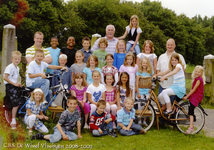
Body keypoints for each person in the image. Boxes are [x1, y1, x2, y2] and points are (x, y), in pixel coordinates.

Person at [157, 38, 186, 104]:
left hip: (173, 85)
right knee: (161, 103)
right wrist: (158, 76)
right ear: (166, 45)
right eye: (168, 45)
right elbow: (158, 70)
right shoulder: (161, 57)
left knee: (173, 105)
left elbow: (183, 70)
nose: (169, 46)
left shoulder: (179, 56)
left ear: (175, 46)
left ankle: (172, 111)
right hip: (163, 84)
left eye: (171, 45)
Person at [182, 66, 205, 134]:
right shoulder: (196, 79)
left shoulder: (199, 80)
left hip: (197, 96)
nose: (197, 73)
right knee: (180, 97)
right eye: (196, 71)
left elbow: (194, 89)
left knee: (191, 111)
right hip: (194, 95)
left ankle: (191, 127)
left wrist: (187, 96)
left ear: (201, 73)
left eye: (199, 72)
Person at [3, 51, 22, 129]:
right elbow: (5, 77)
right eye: (15, 59)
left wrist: (18, 84)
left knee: (24, 94)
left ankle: (20, 115)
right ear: (12, 59)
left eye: (18, 59)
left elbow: (15, 79)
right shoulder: (10, 67)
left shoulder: (17, 68)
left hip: (14, 85)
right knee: (16, 102)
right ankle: (13, 119)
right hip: (9, 86)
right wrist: (14, 84)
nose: (17, 60)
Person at [136, 57, 154, 126]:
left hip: (147, 91)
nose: (145, 64)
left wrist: (151, 88)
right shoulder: (139, 72)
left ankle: (144, 120)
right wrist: (137, 92)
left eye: (146, 63)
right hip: (140, 91)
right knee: (140, 106)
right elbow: (137, 83)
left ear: (148, 64)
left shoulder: (150, 72)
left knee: (146, 106)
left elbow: (153, 81)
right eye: (143, 63)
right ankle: (140, 119)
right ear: (141, 63)